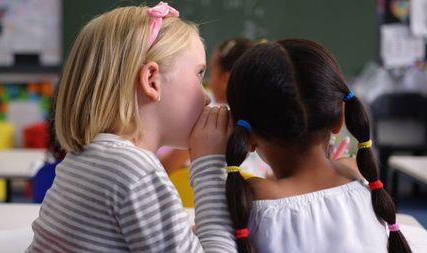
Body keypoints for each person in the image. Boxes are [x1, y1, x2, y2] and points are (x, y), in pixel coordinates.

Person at [26, 2, 236, 252]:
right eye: (199, 75)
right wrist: (210, 165)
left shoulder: (85, 157)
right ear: (151, 80)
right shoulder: (136, 173)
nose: (207, 98)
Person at [224, 39, 412, 252]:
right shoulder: (358, 171)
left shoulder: (256, 194)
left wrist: (209, 157)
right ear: (341, 118)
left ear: (245, 135)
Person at [161, 37, 270, 178]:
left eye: (209, 73)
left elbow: (166, 167)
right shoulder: (262, 119)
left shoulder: (208, 113)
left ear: (225, 80)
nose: (208, 81)